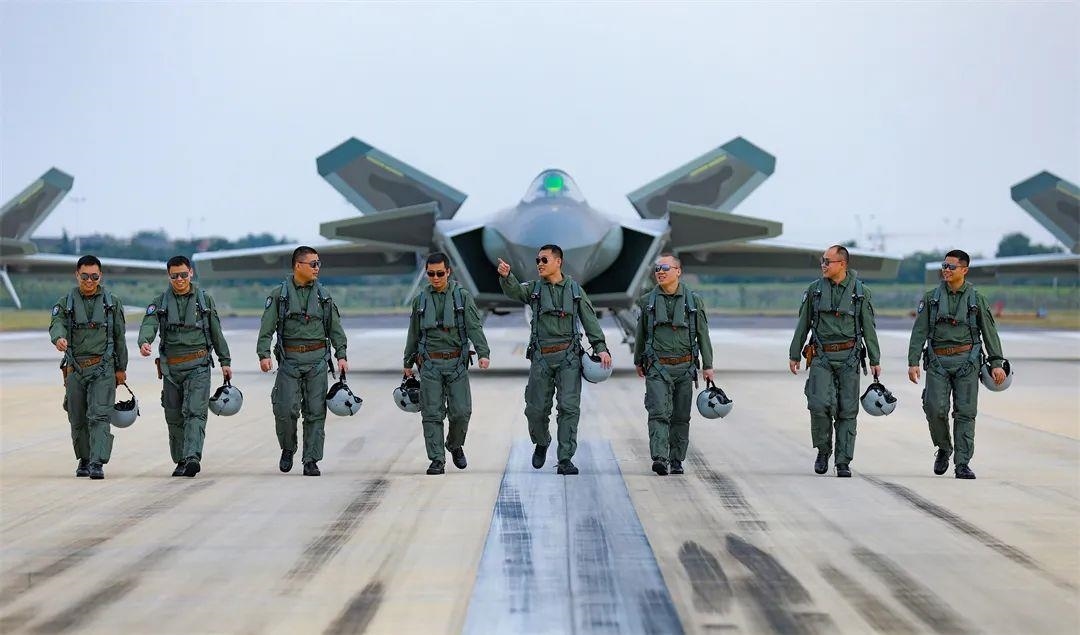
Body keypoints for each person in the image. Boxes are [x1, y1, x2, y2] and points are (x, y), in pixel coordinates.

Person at [497, 244, 611, 475]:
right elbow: (514, 291)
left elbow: (590, 321)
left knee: (569, 408)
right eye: (537, 260)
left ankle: (565, 459)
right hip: (541, 358)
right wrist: (507, 276)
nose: (539, 264)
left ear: (558, 262)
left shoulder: (575, 291)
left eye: (544, 260)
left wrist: (601, 348)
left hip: (569, 358)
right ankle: (542, 441)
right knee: (535, 410)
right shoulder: (534, 289)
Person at [907, 249, 1006, 480]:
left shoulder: (976, 299)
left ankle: (962, 463)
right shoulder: (931, 299)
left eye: (951, 267)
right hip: (938, 362)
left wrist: (996, 363)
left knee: (965, 413)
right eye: (944, 266)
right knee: (934, 409)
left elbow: (989, 332)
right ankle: (944, 447)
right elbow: (919, 331)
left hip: (967, 362)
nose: (946, 270)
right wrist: (913, 362)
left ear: (964, 270)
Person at [788, 245, 881, 478]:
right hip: (821, 356)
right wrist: (794, 353)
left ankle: (843, 461)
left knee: (847, 410)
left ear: (843, 264)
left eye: (828, 261)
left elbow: (869, 328)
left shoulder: (861, 293)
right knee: (818, 405)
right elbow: (803, 323)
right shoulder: (814, 291)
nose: (823, 265)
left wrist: (874, 358)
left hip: (850, 357)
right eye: (822, 260)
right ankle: (823, 450)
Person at [257, 246, 348, 476]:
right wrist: (264, 354)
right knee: (285, 410)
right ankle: (288, 448)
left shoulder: (323, 296)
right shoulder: (279, 296)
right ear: (298, 266)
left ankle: (311, 459)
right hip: (290, 361)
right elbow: (266, 327)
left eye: (319, 264)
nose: (317, 268)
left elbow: (335, 328)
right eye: (313, 264)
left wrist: (341, 355)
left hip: (317, 361)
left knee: (315, 412)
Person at [138, 255, 231, 477]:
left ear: (191, 273)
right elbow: (148, 324)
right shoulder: (160, 303)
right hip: (171, 369)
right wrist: (144, 342)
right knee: (173, 415)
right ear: (168, 276)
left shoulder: (204, 301)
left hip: (198, 365)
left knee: (195, 412)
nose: (179, 279)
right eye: (174, 276)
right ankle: (180, 460)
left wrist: (224, 361)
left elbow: (216, 332)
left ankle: (192, 457)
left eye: (183, 274)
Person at [402, 253, 491, 475]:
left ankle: (454, 444)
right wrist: (408, 361)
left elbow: (474, 326)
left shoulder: (462, 298)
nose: (435, 277)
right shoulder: (420, 300)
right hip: (429, 363)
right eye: (430, 274)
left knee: (461, 412)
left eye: (440, 273)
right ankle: (437, 460)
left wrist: (483, 352)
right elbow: (413, 332)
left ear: (448, 272)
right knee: (432, 413)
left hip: (457, 363)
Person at [634, 254, 714, 476]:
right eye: (657, 268)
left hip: (685, 367)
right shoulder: (647, 302)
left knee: (680, 416)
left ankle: (677, 459)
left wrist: (708, 365)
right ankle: (660, 457)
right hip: (657, 367)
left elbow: (703, 334)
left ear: (678, 271)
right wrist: (638, 360)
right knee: (658, 412)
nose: (660, 272)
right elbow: (641, 333)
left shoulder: (693, 302)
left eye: (665, 268)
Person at [48, 255, 128, 480]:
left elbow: (120, 338)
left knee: (99, 415)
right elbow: (56, 324)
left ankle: (97, 462)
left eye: (94, 277)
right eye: (85, 276)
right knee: (77, 416)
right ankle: (84, 458)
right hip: (75, 369)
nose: (90, 281)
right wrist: (58, 339)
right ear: (77, 275)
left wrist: (121, 368)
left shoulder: (112, 303)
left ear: (100, 276)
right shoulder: (65, 303)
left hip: (103, 368)